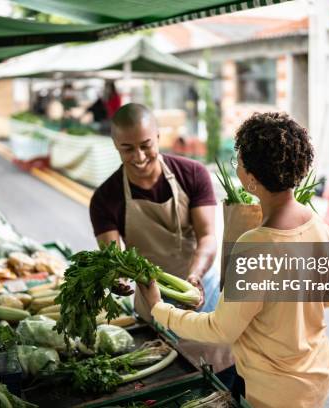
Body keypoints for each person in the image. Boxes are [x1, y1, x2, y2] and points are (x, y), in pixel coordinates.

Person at [138, 112, 329, 408]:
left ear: (252, 179)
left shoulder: (255, 246)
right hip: (317, 373)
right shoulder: (318, 225)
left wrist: (159, 309)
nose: (238, 169)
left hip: (274, 390)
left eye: (239, 163)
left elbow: (221, 329)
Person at [89, 103, 232, 371]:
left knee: (219, 364)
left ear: (157, 137)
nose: (139, 156)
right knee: (170, 374)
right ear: (115, 145)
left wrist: (195, 278)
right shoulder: (104, 199)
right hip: (152, 298)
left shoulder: (192, 174)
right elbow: (113, 257)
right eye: (127, 149)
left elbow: (208, 237)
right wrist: (118, 279)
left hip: (201, 289)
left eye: (145, 145)